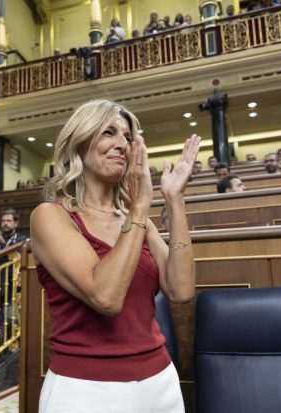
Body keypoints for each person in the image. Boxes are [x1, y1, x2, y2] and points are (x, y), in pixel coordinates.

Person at [30, 99, 200, 412]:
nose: (122, 144)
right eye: (109, 132)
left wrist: (174, 200)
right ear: (79, 144)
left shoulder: (137, 221)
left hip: (160, 382)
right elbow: (106, 297)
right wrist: (139, 206)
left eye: (127, 137)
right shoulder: (50, 217)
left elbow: (182, 290)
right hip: (85, 390)